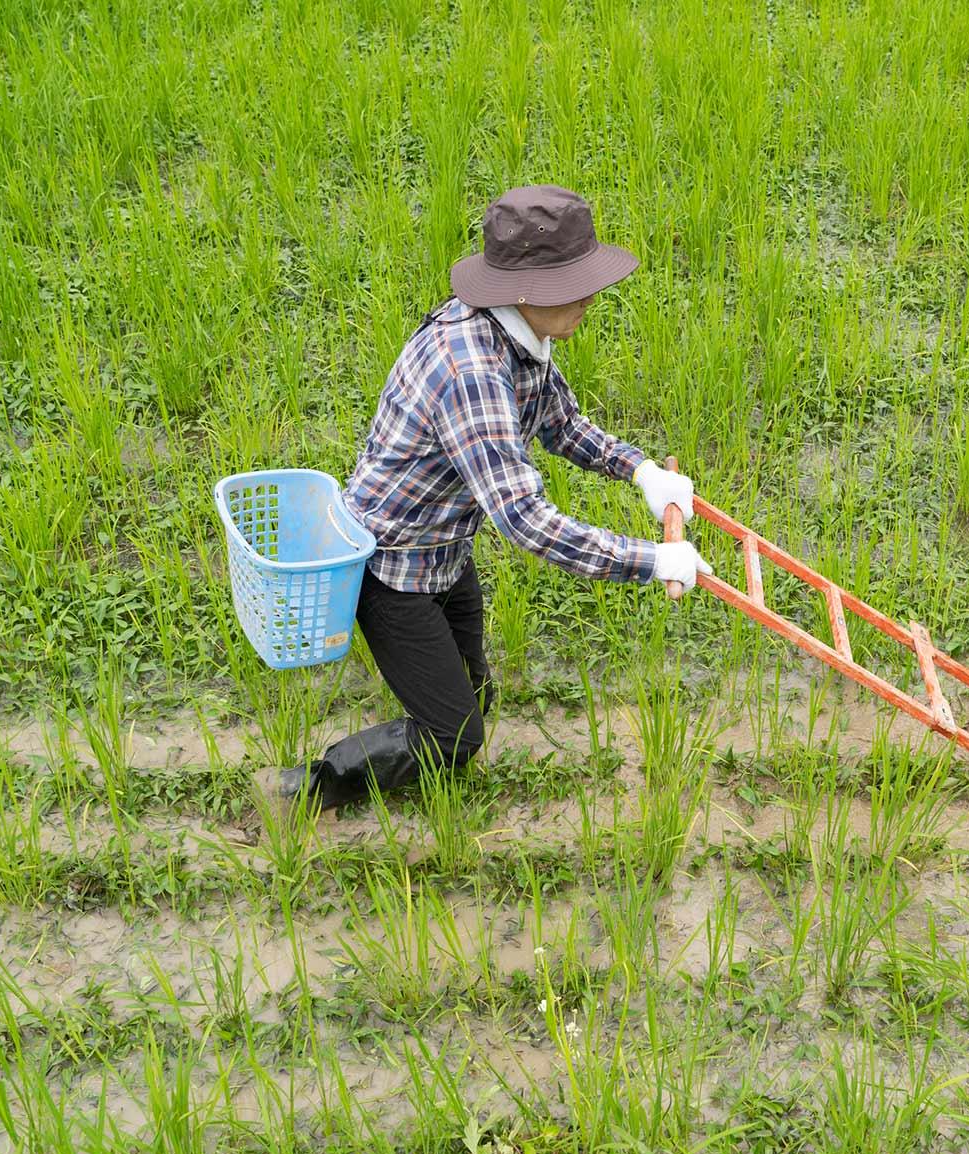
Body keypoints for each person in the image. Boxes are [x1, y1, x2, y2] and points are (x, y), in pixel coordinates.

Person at [255, 185, 712, 814]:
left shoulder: (518, 337)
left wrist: (641, 473)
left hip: (445, 549)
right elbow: (524, 521)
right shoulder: (471, 369)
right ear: (525, 290)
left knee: (473, 690)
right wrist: (650, 560)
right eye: (574, 283)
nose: (590, 296)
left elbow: (561, 423)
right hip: (392, 570)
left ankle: (429, 749)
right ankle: (302, 790)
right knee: (454, 735)